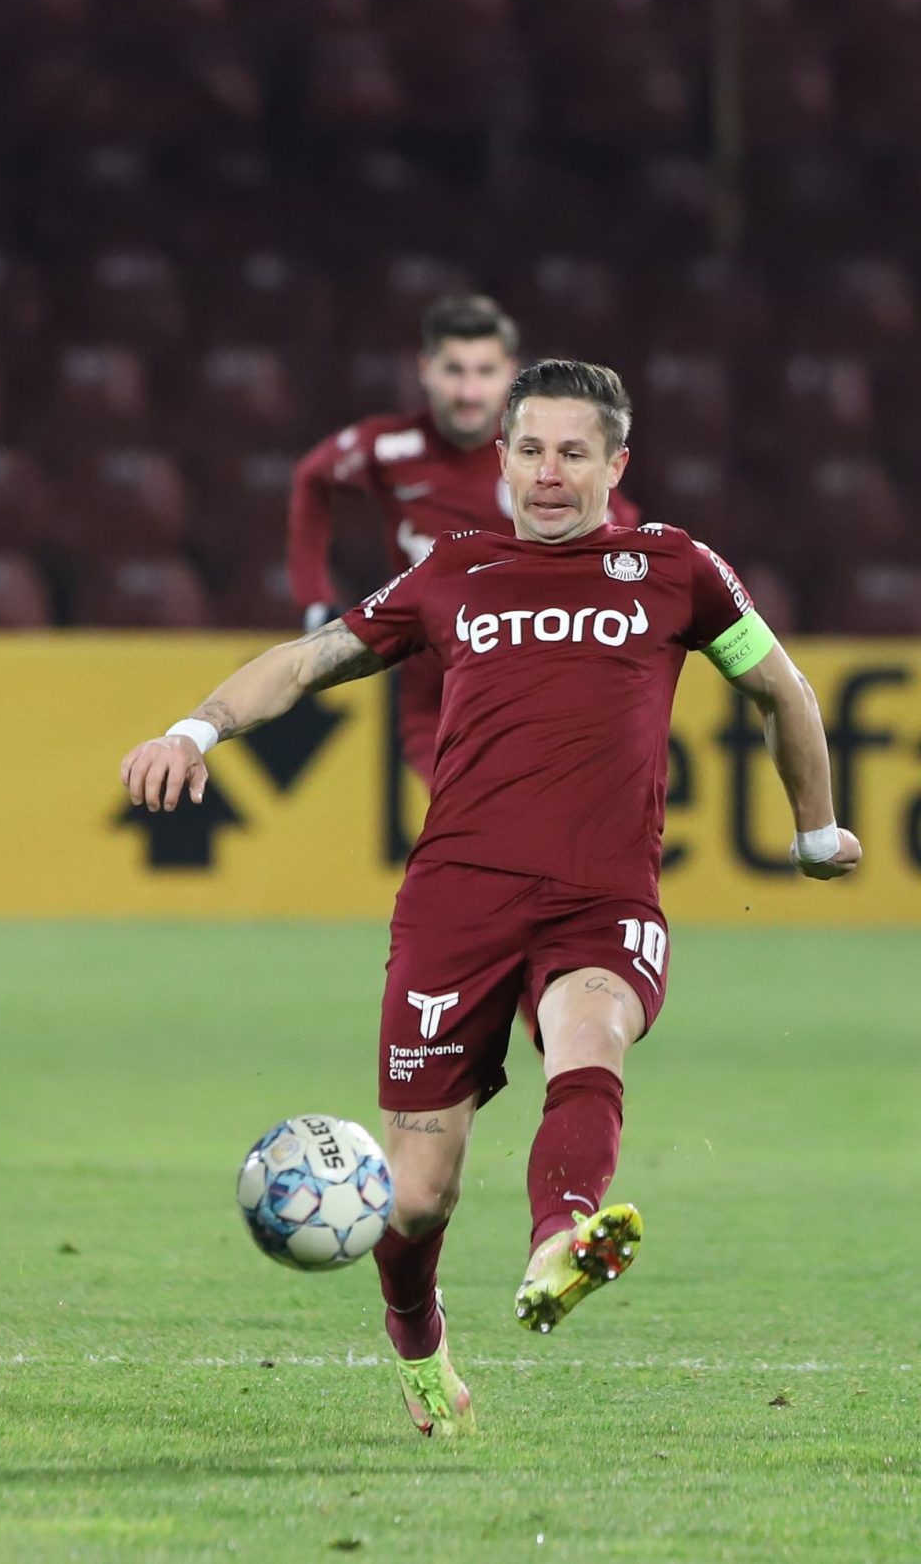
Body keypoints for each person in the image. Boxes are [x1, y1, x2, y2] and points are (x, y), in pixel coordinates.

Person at [123, 361, 859, 1438]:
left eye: (574, 453)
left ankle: (561, 1236)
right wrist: (194, 730)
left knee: (591, 1031)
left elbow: (778, 688)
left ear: (617, 463)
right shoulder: (452, 570)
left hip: (600, 895)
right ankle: (416, 1339)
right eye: (530, 450)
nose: (549, 473)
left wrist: (815, 829)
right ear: (503, 458)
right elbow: (312, 659)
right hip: (455, 904)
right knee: (418, 1193)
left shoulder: (676, 568)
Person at [285, 295, 642, 780]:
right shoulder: (389, 449)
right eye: (454, 370)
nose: (469, 391)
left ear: (510, 374)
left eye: (485, 372)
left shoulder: (543, 466)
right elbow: (312, 478)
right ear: (425, 370)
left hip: (536, 687)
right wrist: (314, 597)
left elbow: (621, 543)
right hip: (435, 699)